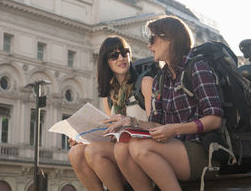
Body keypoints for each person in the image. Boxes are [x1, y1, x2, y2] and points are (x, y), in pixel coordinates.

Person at [109, 16, 224, 191]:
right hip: (173, 147)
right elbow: (157, 123)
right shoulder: (161, 78)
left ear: (169, 39)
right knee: (121, 149)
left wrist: (174, 129)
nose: (149, 46)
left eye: (152, 39)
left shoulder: (196, 67)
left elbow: (214, 119)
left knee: (140, 147)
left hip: (202, 151)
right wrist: (131, 122)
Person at [68, 35, 153, 191]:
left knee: (94, 151)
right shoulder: (109, 96)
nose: (121, 58)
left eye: (124, 52)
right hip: (119, 148)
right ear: (105, 62)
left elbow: (155, 125)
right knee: (76, 152)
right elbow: (111, 135)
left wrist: (129, 120)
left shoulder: (143, 83)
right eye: (114, 55)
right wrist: (84, 137)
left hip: (140, 148)